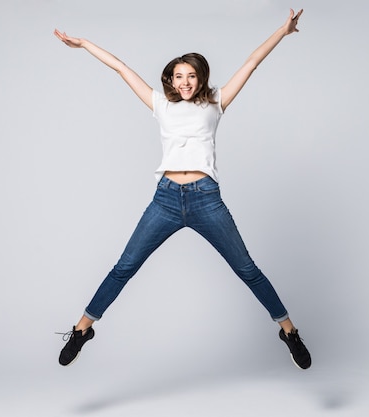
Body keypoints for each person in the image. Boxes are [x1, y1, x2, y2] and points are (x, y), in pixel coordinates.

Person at [53, 8, 311, 370]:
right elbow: (121, 68)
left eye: (191, 75)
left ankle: (289, 331)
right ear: (170, 81)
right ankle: (82, 330)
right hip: (166, 200)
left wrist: (283, 31)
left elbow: (252, 63)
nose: (186, 82)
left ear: (200, 78)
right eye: (179, 76)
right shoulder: (160, 105)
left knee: (247, 269)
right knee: (125, 266)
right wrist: (83, 44)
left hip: (206, 199)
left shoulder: (216, 101)